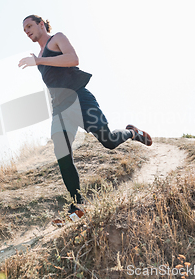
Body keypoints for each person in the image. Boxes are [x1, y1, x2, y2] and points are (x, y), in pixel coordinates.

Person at [18, 15, 152, 218]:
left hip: (79, 98)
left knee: (108, 141)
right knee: (61, 152)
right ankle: (78, 206)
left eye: (29, 26)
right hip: (60, 109)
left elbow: (73, 59)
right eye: (24, 29)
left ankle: (132, 133)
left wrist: (38, 60)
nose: (27, 31)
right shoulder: (39, 57)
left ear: (41, 24)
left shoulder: (57, 39)